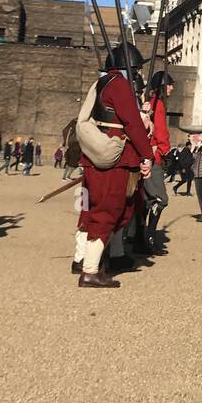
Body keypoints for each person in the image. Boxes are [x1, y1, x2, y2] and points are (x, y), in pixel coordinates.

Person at [73, 43, 153, 289]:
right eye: (136, 68)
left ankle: (86, 260)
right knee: (107, 211)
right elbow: (132, 124)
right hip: (115, 159)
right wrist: (146, 155)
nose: (138, 73)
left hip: (97, 155)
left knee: (96, 209)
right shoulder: (119, 86)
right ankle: (90, 271)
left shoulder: (101, 83)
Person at [139, 69, 173, 253]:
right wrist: (166, 152)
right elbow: (160, 133)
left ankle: (138, 237)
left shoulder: (149, 103)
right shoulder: (157, 105)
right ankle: (148, 238)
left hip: (146, 156)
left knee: (145, 199)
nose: (171, 88)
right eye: (169, 84)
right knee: (159, 199)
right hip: (153, 157)